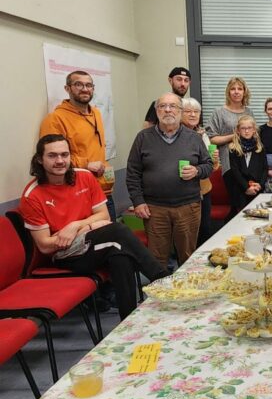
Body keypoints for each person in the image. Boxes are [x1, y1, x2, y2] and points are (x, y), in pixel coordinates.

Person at [20, 134, 166, 320]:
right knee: (118, 231)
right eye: (52, 155)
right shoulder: (32, 195)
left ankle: (129, 321)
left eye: (64, 155)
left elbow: (104, 215)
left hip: (94, 243)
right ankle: (162, 279)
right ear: (40, 159)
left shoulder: (85, 177)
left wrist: (76, 226)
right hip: (66, 255)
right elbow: (45, 245)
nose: (60, 160)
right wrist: (92, 224)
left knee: (119, 254)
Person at [126, 93, 213, 269]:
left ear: (180, 111)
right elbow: (133, 173)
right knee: (157, 258)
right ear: (156, 111)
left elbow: (208, 165)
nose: (167, 110)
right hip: (154, 208)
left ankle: (187, 293)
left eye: (172, 106)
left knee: (188, 255)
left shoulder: (194, 138)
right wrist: (138, 202)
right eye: (162, 106)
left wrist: (197, 170)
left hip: (188, 206)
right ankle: (160, 294)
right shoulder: (143, 138)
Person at [39, 70, 117, 222]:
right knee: (89, 241)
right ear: (67, 88)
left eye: (89, 85)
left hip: (103, 190)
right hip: (78, 192)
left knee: (112, 238)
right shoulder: (55, 119)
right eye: (78, 84)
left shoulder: (96, 113)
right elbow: (52, 159)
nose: (85, 89)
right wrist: (86, 164)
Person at [206, 77, 254, 208]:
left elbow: (254, 136)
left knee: (250, 205)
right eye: (233, 89)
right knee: (237, 205)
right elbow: (211, 138)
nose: (236, 92)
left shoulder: (249, 112)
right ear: (228, 92)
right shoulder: (219, 112)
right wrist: (235, 136)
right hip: (229, 165)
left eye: (240, 88)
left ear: (245, 92)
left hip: (249, 166)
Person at [181, 97, 218, 245]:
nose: (193, 115)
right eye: (188, 111)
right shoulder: (176, 135)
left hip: (203, 189)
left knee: (205, 229)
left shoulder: (202, 134)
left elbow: (212, 167)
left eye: (196, 111)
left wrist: (214, 159)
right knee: (187, 232)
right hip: (184, 191)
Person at [228, 115, 268, 213]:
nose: (246, 131)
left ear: (254, 130)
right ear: (238, 130)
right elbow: (235, 171)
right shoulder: (233, 148)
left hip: (257, 189)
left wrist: (260, 185)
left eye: (249, 128)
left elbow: (265, 169)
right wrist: (246, 187)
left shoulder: (260, 148)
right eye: (243, 128)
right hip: (241, 190)